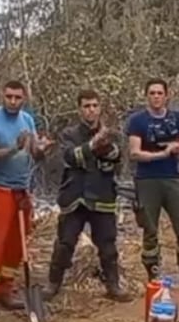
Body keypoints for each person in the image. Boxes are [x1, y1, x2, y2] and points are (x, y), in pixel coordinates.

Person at [43, 90, 131, 302]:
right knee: (65, 243)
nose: (91, 110)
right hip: (75, 196)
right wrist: (92, 146)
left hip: (102, 195)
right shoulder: (68, 134)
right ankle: (52, 284)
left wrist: (105, 147)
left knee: (108, 245)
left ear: (100, 108)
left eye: (94, 105)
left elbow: (117, 160)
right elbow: (70, 157)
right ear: (79, 109)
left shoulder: (113, 134)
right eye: (86, 106)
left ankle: (113, 285)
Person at [0, 81, 52, 316]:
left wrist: (42, 149)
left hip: (21, 189)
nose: (13, 101)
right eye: (9, 96)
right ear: (2, 95)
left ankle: (6, 290)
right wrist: (13, 148)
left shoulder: (27, 120)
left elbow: (34, 154)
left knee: (17, 244)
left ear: (24, 97)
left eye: (17, 97)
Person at [127, 78, 179, 289]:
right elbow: (134, 153)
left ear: (167, 95)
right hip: (147, 180)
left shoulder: (176, 118)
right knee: (150, 230)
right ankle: (153, 276)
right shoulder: (137, 121)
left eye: (159, 93)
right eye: (152, 93)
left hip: (173, 177)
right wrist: (162, 153)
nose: (156, 97)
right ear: (146, 96)